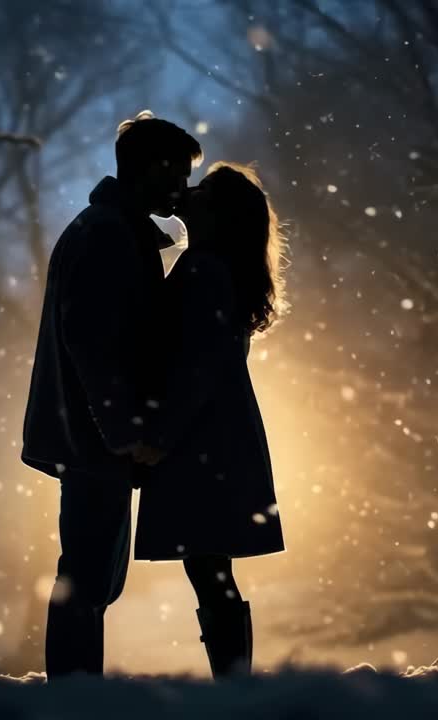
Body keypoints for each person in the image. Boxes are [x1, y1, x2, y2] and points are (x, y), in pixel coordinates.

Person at [20, 111, 201, 678]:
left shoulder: (109, 230)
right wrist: (125, 432)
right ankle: (75, 698)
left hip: (88, 432)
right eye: (176, 173)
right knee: (88, 574)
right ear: (147, 169)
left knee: (91, 572)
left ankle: (77, 693)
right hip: (93, 437)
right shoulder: (107, 236)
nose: (183, 187)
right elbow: (92, 345)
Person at [133, 162, 287, 677]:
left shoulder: (204, 270)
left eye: (203, 192)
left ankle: (233, 684)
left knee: (207, 564)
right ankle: (233, 681)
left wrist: (159, 436)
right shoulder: (215, 267)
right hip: (217, 436)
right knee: (210, 565)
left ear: (218, 214)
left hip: (202, 440)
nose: (189, 194)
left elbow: (195, 367)